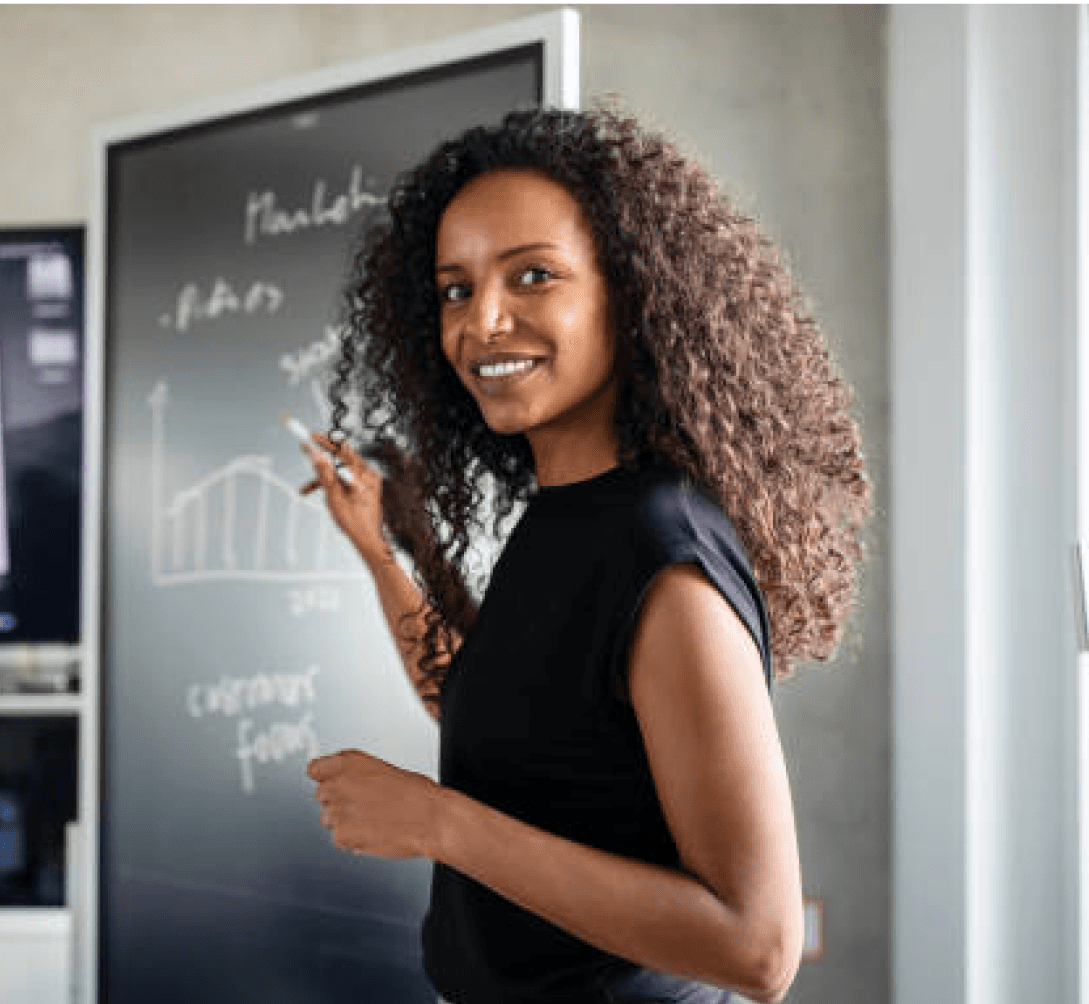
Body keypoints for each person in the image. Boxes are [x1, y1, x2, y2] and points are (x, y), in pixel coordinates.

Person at [301, 106, 870, 1004]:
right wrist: (383, 546)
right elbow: (491, 707)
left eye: (533, 275)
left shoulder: (662, 549)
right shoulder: (568, 514)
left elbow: (758, 947)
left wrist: (440, 823)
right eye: (455, 288)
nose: (483, 321)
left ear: (631, 293)